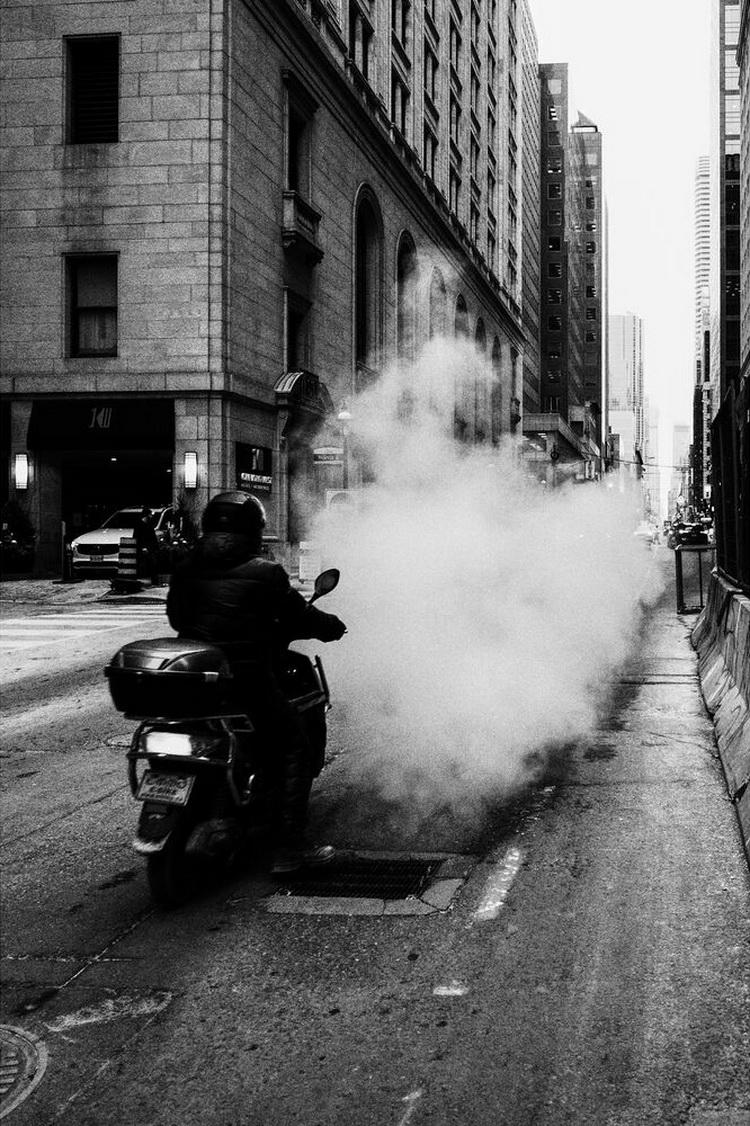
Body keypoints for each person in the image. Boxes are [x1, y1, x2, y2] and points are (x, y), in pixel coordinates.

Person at [166, 490, 346, 875]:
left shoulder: (185, 566)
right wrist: (332, 626)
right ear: (254, 531)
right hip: (246, 679)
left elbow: (176, 617)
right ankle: (290, 848)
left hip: (196, 681)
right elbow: (299, 617)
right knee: (294, 744)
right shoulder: (266, 573)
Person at [134, 507, 159, 585]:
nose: (151, 516)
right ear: (146, 515)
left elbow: (152, 537)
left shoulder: (149, 524)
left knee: (152, 564)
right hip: (143, 548)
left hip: (150, 548)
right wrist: (142, 547)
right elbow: (137, 538)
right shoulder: (140, 525)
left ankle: (154, 581)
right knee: (145, 564)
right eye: (150, 515)